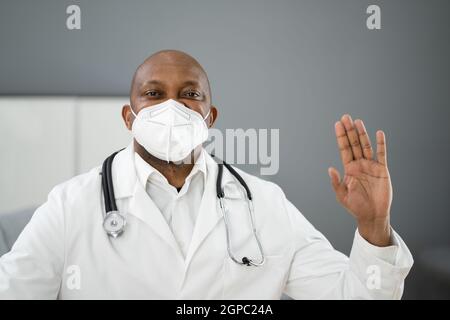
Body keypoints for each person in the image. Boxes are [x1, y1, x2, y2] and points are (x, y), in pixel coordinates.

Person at [0, 50, 413, 299]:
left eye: (190, 95)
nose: (173, 106)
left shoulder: (264, 204)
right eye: (154, 94)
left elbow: (355, 294)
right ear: (130, 117)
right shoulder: (71, 205)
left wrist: (374, 224)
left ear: (209, 117)